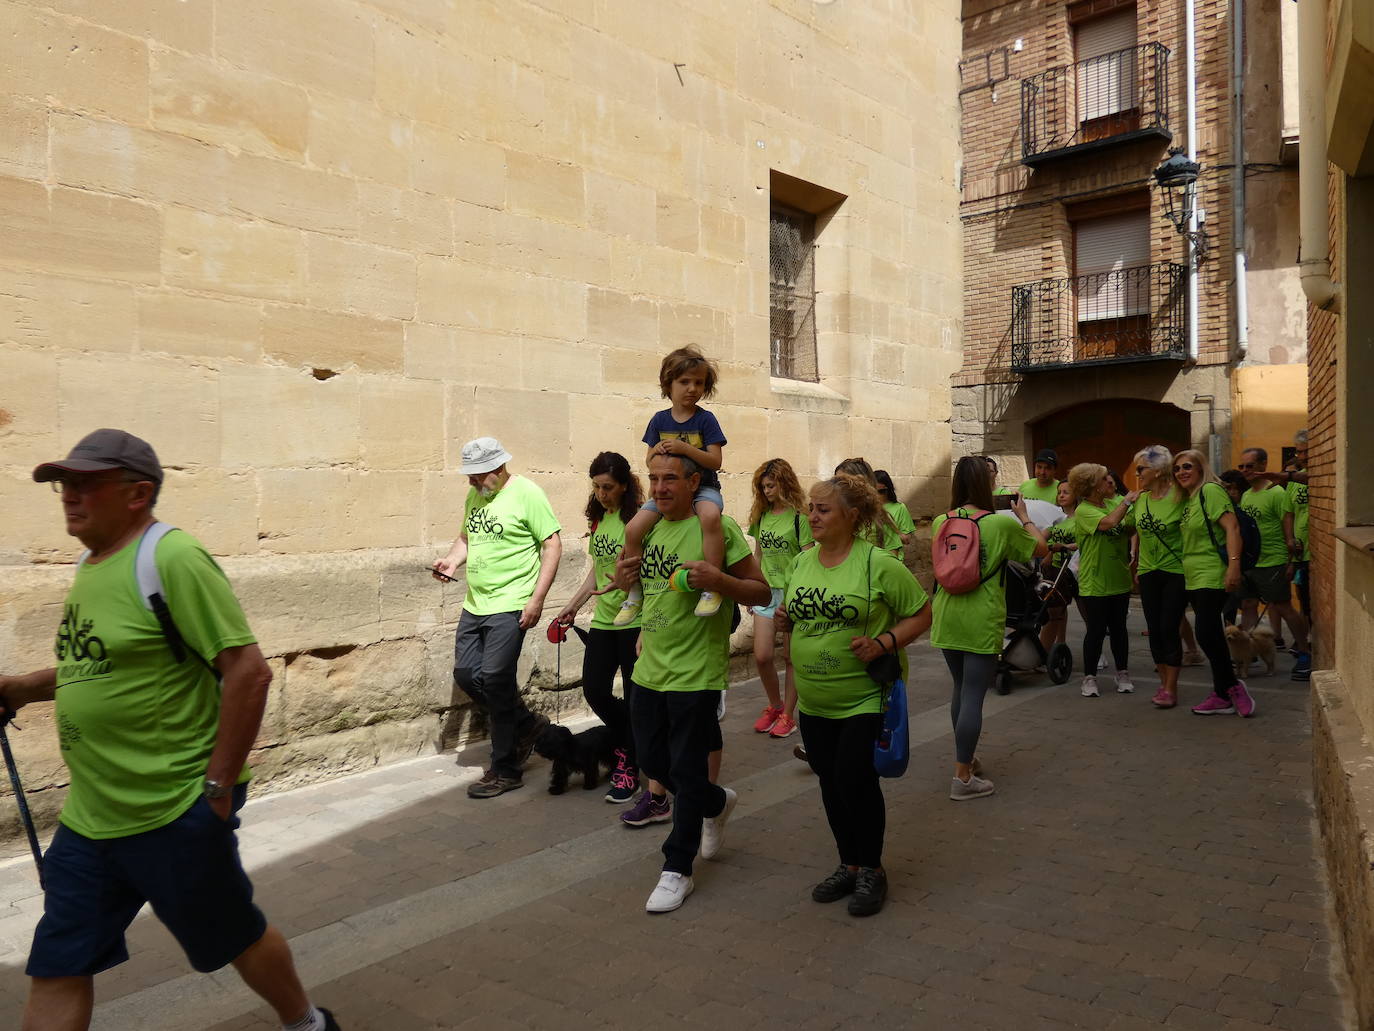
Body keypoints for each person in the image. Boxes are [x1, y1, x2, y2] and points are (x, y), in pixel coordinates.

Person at [0, 429, 339, 1031]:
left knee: (233, 935)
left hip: (171, 810)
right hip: (89, 821)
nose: (69, 495)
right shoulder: (90, 565)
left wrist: (216, 791)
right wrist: (22, 688)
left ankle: (305, 1022)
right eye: (64, 484)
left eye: (86, 483)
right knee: (57, 964)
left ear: (137, 493)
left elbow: (248, 671)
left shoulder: (172, 557)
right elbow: (101, 663)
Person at [620, 452, 770, 913]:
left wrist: (720, 580)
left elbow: (762, 592)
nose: (660, 488)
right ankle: (715, 802)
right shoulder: (650, 530)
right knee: (652, 761)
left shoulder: (718, 530)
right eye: (654, 479)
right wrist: (625, 578)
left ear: (694, 483)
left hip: (696, 672)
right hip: (649, 668)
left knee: (685, 768)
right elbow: (648, 593)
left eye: (670, 479)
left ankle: (676, 868)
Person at [776, 474, 931, 917]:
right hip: (815, 698)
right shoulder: (802, 561)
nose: (813, 517)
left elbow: (921, 613)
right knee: (828, 779)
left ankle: (873, 869)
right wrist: (788, 620)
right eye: (811, 509)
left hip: (863, 696)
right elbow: (800, 614)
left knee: (854, 778)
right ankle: (848, 862)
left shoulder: (878, 563)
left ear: (852, 516)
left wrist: (884, 643)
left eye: (823, 510)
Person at [434, 437, 562, 799]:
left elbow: (552, 544)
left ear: (498, 469)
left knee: (495, 678)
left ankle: (505, 768)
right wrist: (451, 560)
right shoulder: (476, 496)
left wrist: (537, 599)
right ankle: (526, 725)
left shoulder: (527, 493)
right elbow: (466, 537)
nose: (471, 483)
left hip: (511, 602)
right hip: (475, 603)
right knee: (466, 674)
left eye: (476, 476)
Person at [931, 456, 1047, 799]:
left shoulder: (941, 520)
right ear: (987, 484)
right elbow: (1041, 549)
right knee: (973, 696)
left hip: (947, 613)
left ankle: (965, 758)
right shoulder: (999, 524)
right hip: (982, 616)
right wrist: (1024, 518)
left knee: (959, 690)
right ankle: (963, 778)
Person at [554, 452, 645, 804]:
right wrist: (573, 605)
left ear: (624, 486)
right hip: (605, 620)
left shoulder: (636, 520)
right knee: (595, 689)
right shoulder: (598, 520)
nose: (602, 493)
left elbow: (639, 574)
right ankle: (632, 739)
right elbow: (598, 568)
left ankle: (630, 766)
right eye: (596, 487)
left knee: (636, 698)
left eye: (608, 487)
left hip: (634, 619)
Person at [614, 347, 728, 625]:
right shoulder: (659, 420)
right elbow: (649, 458)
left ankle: (712, 586)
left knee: (711, 517)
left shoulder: (705, 419)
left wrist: (683, 449)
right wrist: (659, 453)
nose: (692, 389)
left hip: (703, 489)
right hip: (668, 492)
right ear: (669, 384)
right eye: (685, 382)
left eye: (699, 383)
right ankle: (635, 591)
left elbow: (715, 460)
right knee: (632, 529)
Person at [1173, 449, 1256, 716]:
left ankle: (1231, 688)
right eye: (1176, 469)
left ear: (1200, 468)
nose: (1181, 472)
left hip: (1213, 572)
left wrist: (1234, 566)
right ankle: (1223, 692)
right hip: (1193, 576)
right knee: (1208, 633)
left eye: (1187, 466)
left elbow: (1232, 528)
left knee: (1206, 632)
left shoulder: (1211, 491)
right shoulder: (1189, 499)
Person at [746, 458, 812, 739]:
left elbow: (809, 558)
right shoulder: (762, 516)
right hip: (766, 592)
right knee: (761, 655)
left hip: (791, 593)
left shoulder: (800, 517)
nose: (766, 491)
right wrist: (752, 586)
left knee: (790, 657)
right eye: (762, 487)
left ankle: (789, 716)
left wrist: (797, 595)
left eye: (771, 485)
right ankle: (776, 706)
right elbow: (759, 554)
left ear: (784, 483)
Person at [1236, 447, 1311, 680]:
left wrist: (1290, 561)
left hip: (1274, 560)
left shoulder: (1277, 493)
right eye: (1242, 466)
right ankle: (1249, 651)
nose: (1245, 470)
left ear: (1262, 465)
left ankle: (1304, 652)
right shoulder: (1246, 495)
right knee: (1248, 605)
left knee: (1284, 607)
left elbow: (1288, 528)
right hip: (1251, 562)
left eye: (1250, 465)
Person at [1067, 463, 1139, 697]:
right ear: (1093, 486)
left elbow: (1127, 527)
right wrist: (1127, 502)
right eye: (1104, 479)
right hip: (1094, 580)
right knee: (1096, 630)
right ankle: (1089, 678)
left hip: (1118, 577)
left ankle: (1123, 673)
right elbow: (1108, 523)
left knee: (1119, 629)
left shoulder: (1111, 503)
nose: (1110, 482)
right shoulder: (1084, 510)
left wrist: (1136, 511)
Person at [1128, 446, 1187, 709]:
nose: (1138, 473)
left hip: (1175, 571)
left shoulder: (1180, 496)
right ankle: (1163, 683)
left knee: (1168, 628)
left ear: (1159, 470)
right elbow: (1133, 530)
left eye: (1141, 469)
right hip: (1149, 572)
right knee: (1154, 629)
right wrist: (1138, 562)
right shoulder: (1141, 499)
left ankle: (1172, 687)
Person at [1039, 479, 1080, 655]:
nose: (1061, 495)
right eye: (1059, 492)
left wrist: (1061, 547)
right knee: (1057, 607)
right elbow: (1040, 538)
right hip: (1056, 569)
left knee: (1084, 612)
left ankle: (1096, 650)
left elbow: (1081, 543)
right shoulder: (1056, 519)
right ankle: (1059, 643)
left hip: (1075, 569)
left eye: (1066, 492)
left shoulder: (1081, 518)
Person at [834, 458, 902, 554]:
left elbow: (892, 558)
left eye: (844, 482)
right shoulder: (834, 517)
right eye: (835, 482)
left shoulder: (880, 519)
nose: (837, 487)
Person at [873, 469, 917, 554]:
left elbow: (907, 540)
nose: (878, 495)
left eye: (881, 491)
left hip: (892, 557)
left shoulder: (900, 508)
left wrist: (896, 533)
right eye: (875, 491)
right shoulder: (867, 509)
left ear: (888, 489)